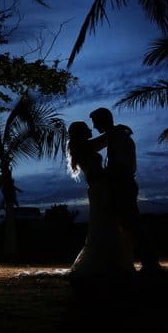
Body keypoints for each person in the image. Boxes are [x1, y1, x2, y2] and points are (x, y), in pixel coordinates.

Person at [88, 107, 164, 274]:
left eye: (95, 123)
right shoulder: (115, 135)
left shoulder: (120, 138)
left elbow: (121, 167)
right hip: (122, 184)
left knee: (132, 223)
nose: (93, 127)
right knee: (128, 224)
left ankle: (150, 263)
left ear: (103, 121)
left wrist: (103, 175)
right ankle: (144, 261)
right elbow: (94, 146)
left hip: (123, 185)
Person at [66, 121, 134, 291]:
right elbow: (106, 139)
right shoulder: (86, 147)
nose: (91, 129)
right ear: (82, 133)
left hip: (99, 189)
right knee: (105, 224)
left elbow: (105, 139)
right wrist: (117, 129)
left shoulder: (84, 147)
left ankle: (107, 261)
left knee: (104, 224)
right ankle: (108, 263)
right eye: (87, 128)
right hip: (99, 188)